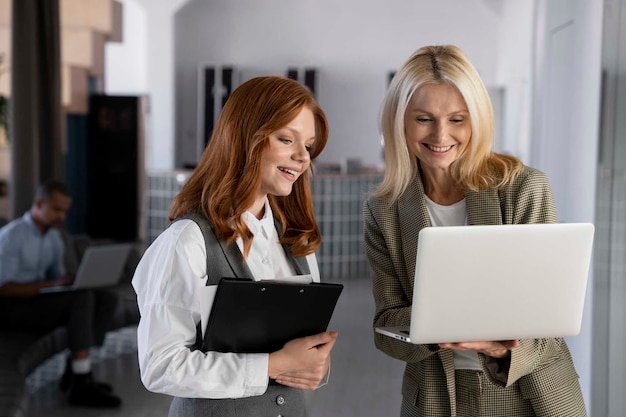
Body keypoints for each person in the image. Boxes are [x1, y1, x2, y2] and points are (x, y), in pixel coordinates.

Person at [363, 45, 586, 417]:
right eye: (423, 118)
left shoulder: (523, 188)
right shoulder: (383, 210)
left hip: (530, 393)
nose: (441, 134)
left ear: (477, 119)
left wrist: (503, 347)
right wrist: (435, 328)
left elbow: (550, 324)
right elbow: (386, 326)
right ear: (399, 120)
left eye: (457, 119)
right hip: (435, 395)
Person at [132, 75, 338, 417]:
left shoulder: (297, 241)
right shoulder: (187, 241)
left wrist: (315, 363)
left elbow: (298, 352)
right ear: (245, 139)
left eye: (309, 145)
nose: (303, 157)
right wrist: (270, 365)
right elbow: (161, 365)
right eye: (287, 139)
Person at [0, 179, 122, 408]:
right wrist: (51, 285)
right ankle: (81, 381)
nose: (62, 216)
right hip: (11, 307)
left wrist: (72, 281)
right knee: (81, 300)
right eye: (56, 209)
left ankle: (76, 368)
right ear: (38, 204)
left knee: (105, 298)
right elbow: (4, 288)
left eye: (65, 211)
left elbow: (59, 279)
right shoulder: (12, 237)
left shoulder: (54, 237)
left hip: (37, 301)